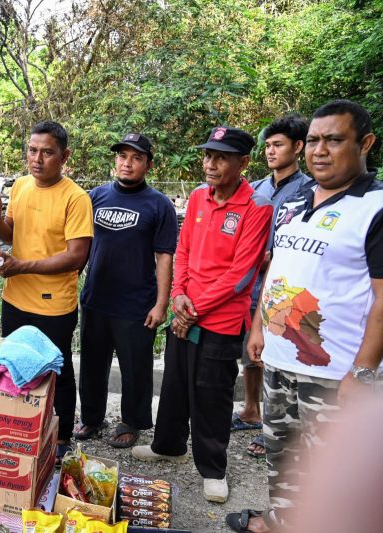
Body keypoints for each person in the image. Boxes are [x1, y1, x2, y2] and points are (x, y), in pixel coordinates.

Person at [226, 100, 383, 532]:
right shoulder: (294, 202)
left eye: (334, 140)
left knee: (333, 470)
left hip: (334, 372)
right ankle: (282, 520)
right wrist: (259, 327)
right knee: (283, 452)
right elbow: (278, 268)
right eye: (314, 140)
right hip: (280, 358)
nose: (320, 150)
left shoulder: (375, 208)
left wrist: (364, 372)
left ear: (364, 143)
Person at [132, 126, 273, 504]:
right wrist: (178, 294)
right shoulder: (197, 197)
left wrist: (192, 311)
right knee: (175, 384)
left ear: (243, 163)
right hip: (186, 309)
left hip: (221, 320)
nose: (211, 164)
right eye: (208, 155)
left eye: (221, 157)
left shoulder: (257, 207)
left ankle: (213, 469)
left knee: (212, 393)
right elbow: (184, 251)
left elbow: (241, 275)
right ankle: (168, 445)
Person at [0, 120, 93, 458]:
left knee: (57, 372)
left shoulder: (75, 198)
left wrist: (23, 265)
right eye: (32, 151)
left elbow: (76, 256)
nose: (37, 159)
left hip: (54, 304)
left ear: (64, 156)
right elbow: (11, 232)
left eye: (47, 152)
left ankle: (62, 437)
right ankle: (18, 427)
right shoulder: (20, 186)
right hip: (15, 298)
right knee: (13, 365)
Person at [74, 133, 177, 448]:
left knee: (136, 368)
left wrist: (161, 305)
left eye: (135, 157)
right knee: (91, 363)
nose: (127, 163)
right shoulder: (95, 197)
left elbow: (164, 257)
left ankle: (132, 421)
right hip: (96, 298)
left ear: (148, 163)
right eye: (122, 156)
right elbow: (81, 245)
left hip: (135, 303)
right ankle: (91, 417)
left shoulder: (159, 205)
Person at [232, 115, 312, 460]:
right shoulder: (258, 188)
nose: (271, 151)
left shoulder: (309, 190)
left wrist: (273, 257)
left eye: (278, 145)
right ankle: (251, 410)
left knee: (277, 354)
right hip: (250, 283)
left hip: (284, 286)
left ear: (298, 148)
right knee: (250, 352)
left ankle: (275, 426)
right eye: (267, 146)